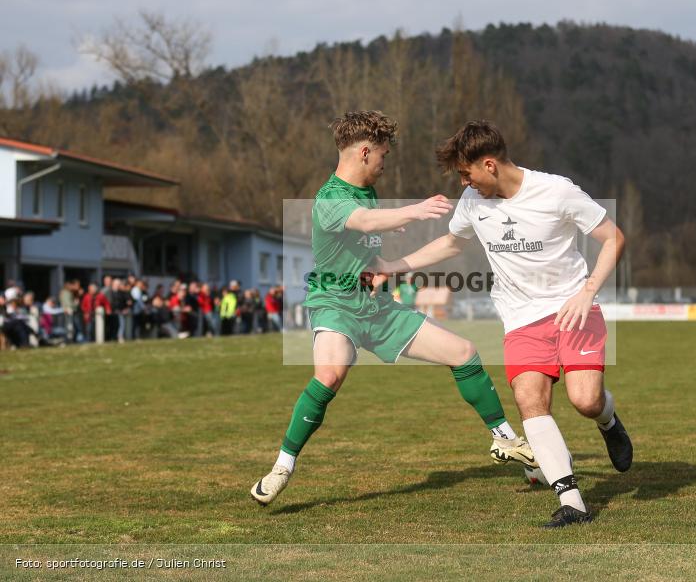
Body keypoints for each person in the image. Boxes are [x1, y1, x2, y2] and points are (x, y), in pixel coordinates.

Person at [250, 111, 534, 507]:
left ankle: (508, 442)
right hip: (336, 303)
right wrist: (410, 212)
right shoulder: (330, 196)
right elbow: (362, 221)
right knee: (330, 375)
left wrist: (388, 230)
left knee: (464, 353)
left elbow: (367, 225)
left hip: (378, 307)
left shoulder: (367, 191)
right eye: (382, 155)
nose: (385, 164)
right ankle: (282, 466)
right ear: (364, 152)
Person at [375, 120, 632, 528]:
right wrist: (392, 266)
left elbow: (613, 237)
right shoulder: (473, 202)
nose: (465, 182)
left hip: (574, 309)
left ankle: (608, 421)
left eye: (467, 173)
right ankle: (572, 501)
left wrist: (587, 291)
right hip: (521, 319)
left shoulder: (557, 190)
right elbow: (451, 243)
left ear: (490, 165)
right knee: (530, 399)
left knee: (586, 401)